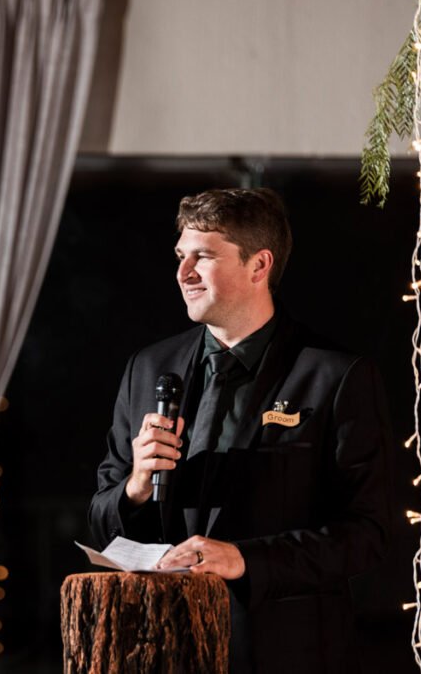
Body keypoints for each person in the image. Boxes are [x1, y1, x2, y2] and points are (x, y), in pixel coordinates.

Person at [88, 188, 391, 674]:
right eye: (181, 256)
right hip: (160, 650)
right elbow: (102, 519)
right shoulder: (148, 368)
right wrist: (136, 487)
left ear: (259, 265)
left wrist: (244, 559)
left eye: (203, 256)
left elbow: (366, 535)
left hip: (282, 653)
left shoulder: (335, 377)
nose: (184, 272)